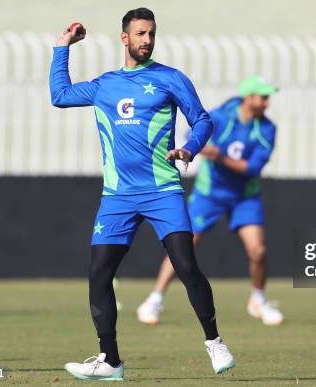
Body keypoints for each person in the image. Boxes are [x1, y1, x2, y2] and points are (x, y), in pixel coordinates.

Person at [49, 8, 236, 380]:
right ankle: (111, 361)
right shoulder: (105, 84)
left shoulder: (170, 78)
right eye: (139, 34)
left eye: (151, 33)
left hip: (162, 190)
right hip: (117, 196)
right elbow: (60, 95)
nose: (147, 40)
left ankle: (214, 342)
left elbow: (202, 119)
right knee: (99, 275)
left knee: (186, 267)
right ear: (125, 38)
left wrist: (191, 148)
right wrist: (62, 47)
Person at [137, 76, 284, 326]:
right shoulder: (221, 116)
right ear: (248, 97)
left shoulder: (267, 129)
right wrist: (199, 147)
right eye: (262, 97)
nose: (266, 103)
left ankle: (258, 299)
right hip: (210, 193)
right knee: (184, 245)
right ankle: (154, 298)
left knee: (258, 251)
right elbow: (193, 130)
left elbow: (252, 168)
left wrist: (219, 156)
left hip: (244, 196)